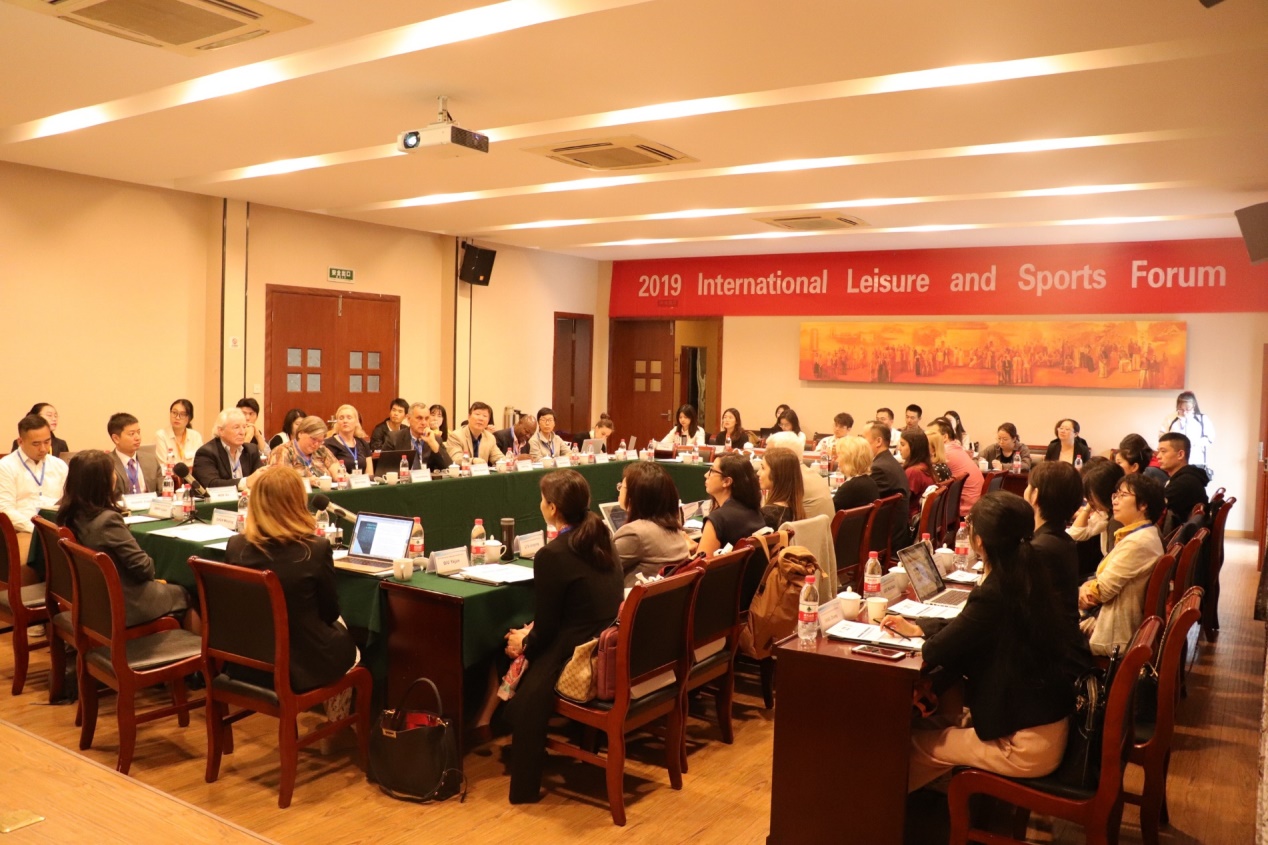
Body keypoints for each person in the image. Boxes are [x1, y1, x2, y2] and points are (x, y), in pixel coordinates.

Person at [881, 492, 1076, 791]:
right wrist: (921, 627)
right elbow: (973, 627)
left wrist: (926, 636)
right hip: (1043, 723)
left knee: (907, 743)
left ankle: (880, 812)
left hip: (1022, 743)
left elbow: (936, 650)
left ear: (979, 541)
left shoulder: (995, 591)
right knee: (922, 724)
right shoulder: (1027, 573)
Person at [502, 470, 623, 804]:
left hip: (575, 652)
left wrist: (524, 642)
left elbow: (547, 631)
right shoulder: (601, 535)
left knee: (511, 646)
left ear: (552, 508)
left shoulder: (553, 554)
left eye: (542, 500)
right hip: (602, 637)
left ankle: (523, 783)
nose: (540, 505)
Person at [224, 466, 357, 692]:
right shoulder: (316, 548)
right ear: (297, 502)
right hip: (300, 667)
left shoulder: (235, 546)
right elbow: (329, 613)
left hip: (246, 662)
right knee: (349, 642)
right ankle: (334, 712)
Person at [56, 450, 195, 630]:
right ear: (102, 482)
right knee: (189, 591)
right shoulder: (107, 521)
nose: (115, 477)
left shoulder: (70, 515)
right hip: (125, 603)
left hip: (92, 599)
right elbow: (144, 569)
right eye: (112, 472)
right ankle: (193, 647)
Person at [1078, 473, 1165, 656]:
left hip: (1112, 634)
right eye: (1115, 495)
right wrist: (1086, 586)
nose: (1115, 501)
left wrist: (1081, 591)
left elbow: (1102, 592)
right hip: (1111, 621)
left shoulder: (1138, 542)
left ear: (1143, 504)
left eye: (1123, 495)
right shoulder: (1142, 533)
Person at [1024, 461, 1094, 682]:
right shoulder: (1061, 539)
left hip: (1050, 662)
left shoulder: (1040, 548)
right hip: (1065, 648)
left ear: (1034, 496)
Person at [0, 414, 69, 576]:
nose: (43, 448)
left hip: (54, 528)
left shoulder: (59, 465)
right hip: (22, 530)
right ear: (20, 442)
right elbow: (4, 509)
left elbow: (65, 502)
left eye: (47, 441)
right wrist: (38, 530)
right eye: (36, 444)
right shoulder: (6, 467)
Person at [612, 462, 691, 585]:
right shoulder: (673, 527)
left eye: (622, 486)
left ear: (635, 495)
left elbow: (599, 571)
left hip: (634, 596)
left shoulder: (634, 534)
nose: (619, 490)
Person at [696, 453, 765, 555]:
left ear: (727, 481)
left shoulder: (718, 519)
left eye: (712, 471)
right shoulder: (755, 511)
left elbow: (701, 562)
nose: (706, 475)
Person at [766, 431, 835, 520]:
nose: (765, 457)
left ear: (783, 455)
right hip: (823, 528)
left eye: (769, 453)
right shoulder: (813, 474)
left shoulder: (790, 478)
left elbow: (770, 516)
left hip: (804, 528)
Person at [193, 408, 264, 491]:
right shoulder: (206, 453)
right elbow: (211, 484)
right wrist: (246, 482)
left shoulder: (251, 450)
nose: (242, 432)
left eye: (244, 427)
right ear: (221, 431)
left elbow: (262, 479)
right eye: (236, 427)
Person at [1067, 458, 1125, 558]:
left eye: (1091, 493)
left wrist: (1089, 506)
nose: (1088, 499)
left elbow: (1075, 533)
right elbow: (1075, 533)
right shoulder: (1107, 513)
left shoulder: (1116, 520)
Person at [866, 423, 910, 551]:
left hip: (889, 538)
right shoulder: (888, 461)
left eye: (865, 439)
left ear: (878, 441)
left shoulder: (879, 468)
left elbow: (866, 502)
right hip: (897, 531)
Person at [929, 417, 983, 515]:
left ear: (945, 437)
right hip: (976, 504)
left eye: (933, 434)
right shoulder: (956, 447)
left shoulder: (945, 452)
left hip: (964, 508)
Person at [1157, 432, 1209, 531]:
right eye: (1158, 451)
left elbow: (1155, 508)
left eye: (1163, 451)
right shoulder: (1183, 477)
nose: (1158, 456)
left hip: (1178, 537)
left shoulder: (1184, 483)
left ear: (1180, 454)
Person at [268, 415, 346, 480]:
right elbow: (281, 481)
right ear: (300, 434)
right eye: (313, 439)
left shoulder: (321, 450)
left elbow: (338, 472)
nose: (316, 444)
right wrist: (308, 481)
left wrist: (341, 476)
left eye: (320, 441)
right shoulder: (283, 451)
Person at [383, 403, 452, 471]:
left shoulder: (435, 439)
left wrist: (433, 444)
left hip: (427, 478)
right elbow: (384, 469)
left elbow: (450, 468)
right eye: (419, 418)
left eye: (427, 418)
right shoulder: (394, 438)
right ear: (408, 419)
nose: (424, 423)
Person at [107, 412, 161, 497]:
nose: (138, 438)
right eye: (131, 434)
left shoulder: (151, 460)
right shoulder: (107, 464)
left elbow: (162, 492)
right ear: (116, 438)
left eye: (138, 432)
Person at [1159, 390, 1213, 472]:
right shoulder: (1170, 419)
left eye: (1188, 409)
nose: (1184, 412)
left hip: (1197, 461)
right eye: (1181, 409)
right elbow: (1162, 436)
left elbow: (1210, 438)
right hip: (1175, 461)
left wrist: (1194, 444)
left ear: (1193, 406)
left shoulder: (1202, 419)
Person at [758, 447, 807, 529]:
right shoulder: (797, 511)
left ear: (777, 474)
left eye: (763, 468)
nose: (758, 473)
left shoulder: (766, 516)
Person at [832, 435, 881, 511]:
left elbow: (830, 511)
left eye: (839, 456)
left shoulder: (850, 487)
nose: (837, 460)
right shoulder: (870, 482)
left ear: (848, 459)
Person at [324, 404, 373, 475]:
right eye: (341, 418)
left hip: (363, 481)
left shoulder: (363, 443)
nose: (345, 421)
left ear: (356, 422)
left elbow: (370, 474)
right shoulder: (329, 444)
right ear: (337, 422)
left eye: (349, 418)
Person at [899, 430, 935, 520]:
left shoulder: (913, 472)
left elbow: (902, 502)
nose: (899, 448)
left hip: (912, 520)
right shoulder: (925, 466)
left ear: (914, 447)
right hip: (924, 518)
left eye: (902, 445)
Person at [155, 399, 203, 465]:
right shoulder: (161, 435)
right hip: (169, 472)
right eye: (174, 413)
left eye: (182, 414)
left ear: (189, 418)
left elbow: (200, 462)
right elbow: (163, 464)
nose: (177, 417)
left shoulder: (196, 436)